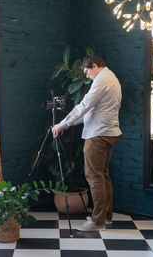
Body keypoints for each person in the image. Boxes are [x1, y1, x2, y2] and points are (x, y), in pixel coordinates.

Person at [52, 55, 122, 232]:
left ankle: (97, 221)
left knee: (94, 176)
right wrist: (68, 125)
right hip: (109, 132)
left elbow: (85, 105)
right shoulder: (111, 78)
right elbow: (91, 110)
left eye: (87, 72)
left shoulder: (102, 79)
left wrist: (62, 124)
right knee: (103, 176)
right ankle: (106, 217)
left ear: (95, 66)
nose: (87, 76)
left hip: (98, 135)